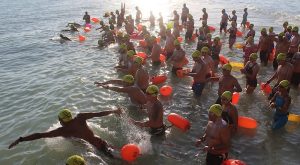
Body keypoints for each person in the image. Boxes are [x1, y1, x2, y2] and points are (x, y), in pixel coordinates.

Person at [8, 108, 122, 158]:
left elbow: (39, 135)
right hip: (100, 141)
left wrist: (21, 139)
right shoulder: (80, 118)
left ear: (62, 120)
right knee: (118, 152)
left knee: (114, 160)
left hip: (94, 149)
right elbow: (98, 113)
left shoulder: (62, 131)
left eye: (59, 120)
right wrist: (114, 111)